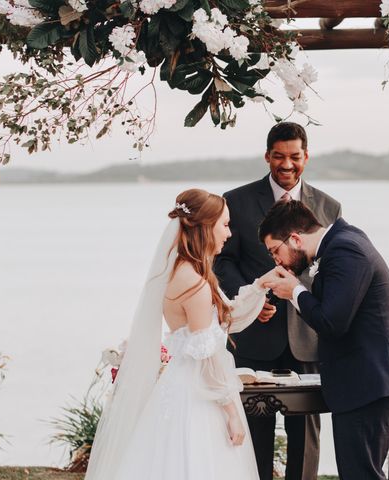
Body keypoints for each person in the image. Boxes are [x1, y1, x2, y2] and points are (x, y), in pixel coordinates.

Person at [85, 188, 282, 480]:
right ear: (205, 227)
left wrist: (259, 286)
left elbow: (224, 320)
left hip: (179, 387)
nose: (229, 234)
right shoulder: (196, 285)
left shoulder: (180, 272)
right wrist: (230, 412)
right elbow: (207, 356)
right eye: (225, 225)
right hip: (199, 396)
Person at [214, 122, 340, 480]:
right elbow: (222, 260)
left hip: (308, 338)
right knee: (253, 433)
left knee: (307, 438)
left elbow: (331, 268)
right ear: (267, 156)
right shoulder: (235, 202)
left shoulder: (329, 207)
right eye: (279, 157)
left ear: (306, 157)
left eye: (295, 157)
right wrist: (251, 300)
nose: (287, 165)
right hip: (254, 337)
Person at [260, 199, 389, 480]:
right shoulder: (343, 241)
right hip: (364, 382)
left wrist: (295, 292)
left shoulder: (345, 250)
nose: (277, 260)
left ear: (295, 238)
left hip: (369, 383)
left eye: (276, 251)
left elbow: (333, 322)